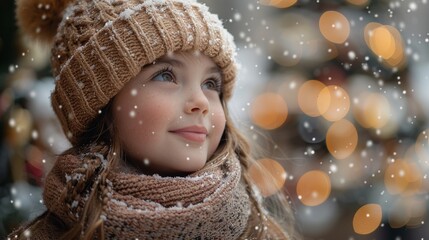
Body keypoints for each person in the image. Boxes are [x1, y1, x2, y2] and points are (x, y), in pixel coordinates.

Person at [11, 0, 296, 239]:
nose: (200, 103)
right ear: (103, 106)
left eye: (211, 84)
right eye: (165, 76)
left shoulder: (256, 231)